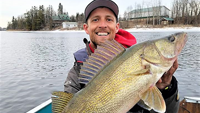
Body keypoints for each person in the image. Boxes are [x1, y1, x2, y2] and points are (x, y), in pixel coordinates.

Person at [64, 0, 180, 112]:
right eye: (95, 20)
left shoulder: (147, 67)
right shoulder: (76, 74)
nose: (103, 25)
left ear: (117, 27)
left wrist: (166, 88)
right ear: (86, 28)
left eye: (109, 19)